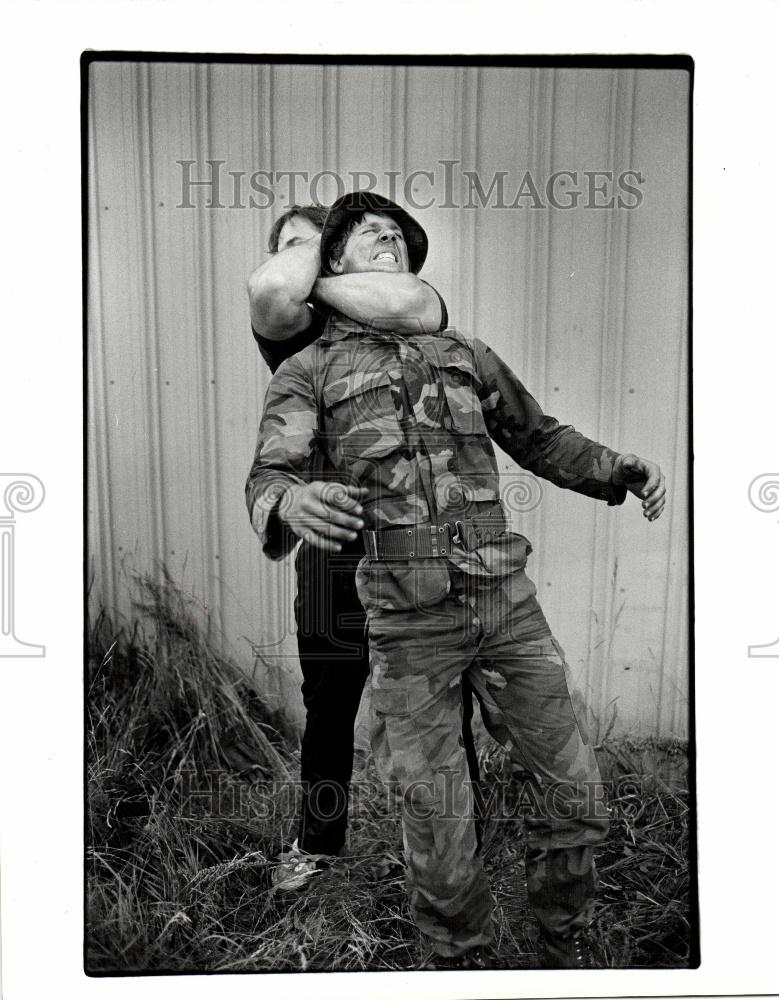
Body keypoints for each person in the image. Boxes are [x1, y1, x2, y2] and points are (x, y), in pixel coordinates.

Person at [246, 192, 666, 967]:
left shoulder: (464, 352)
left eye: (398, 235)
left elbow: (538, 436)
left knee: (574, 789)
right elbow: (267, 474)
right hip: (409, 627)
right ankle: (459, 959)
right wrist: (292, 498)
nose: (390, 239)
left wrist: (618, 469)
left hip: (507, 605)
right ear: (331, 263)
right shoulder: (306, 369)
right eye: (368, 232)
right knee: (436, 824)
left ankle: (563, 938)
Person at [247, 204, 483, 882]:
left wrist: (321, 260)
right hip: (336, 543)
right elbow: (270, 289)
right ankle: (318, 845)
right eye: (293, 248)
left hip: (419, 543)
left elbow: (418, 301)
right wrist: (314, 254)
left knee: (443, 702)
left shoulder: (394, 311)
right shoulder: (296, 337)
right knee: (330, 704)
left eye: (317, 245)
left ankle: (462, 849)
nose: (301, 261)